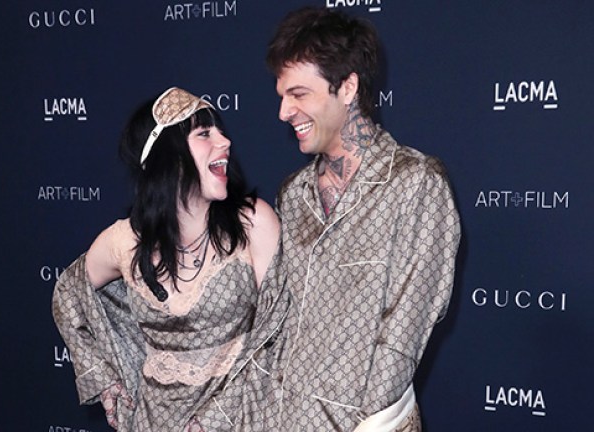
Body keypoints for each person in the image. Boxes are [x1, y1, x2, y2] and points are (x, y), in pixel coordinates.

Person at [265, 7, 461, 432]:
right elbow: (278, 321)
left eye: (298, 94)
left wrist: (366, 421)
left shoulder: (415, 184)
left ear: (348, 87)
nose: (284, 111)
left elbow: (405, 331)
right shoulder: (293, 194)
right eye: (281, 96)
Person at [52, 87, 288, 432]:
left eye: (220, 131)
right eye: (204, 133)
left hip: (239, 421)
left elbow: (279, 334)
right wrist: (102, 375)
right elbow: (68, 292)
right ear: (168, 156)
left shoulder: (252, 222)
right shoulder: (125, 241)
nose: (225, 142)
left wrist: (215, 419)